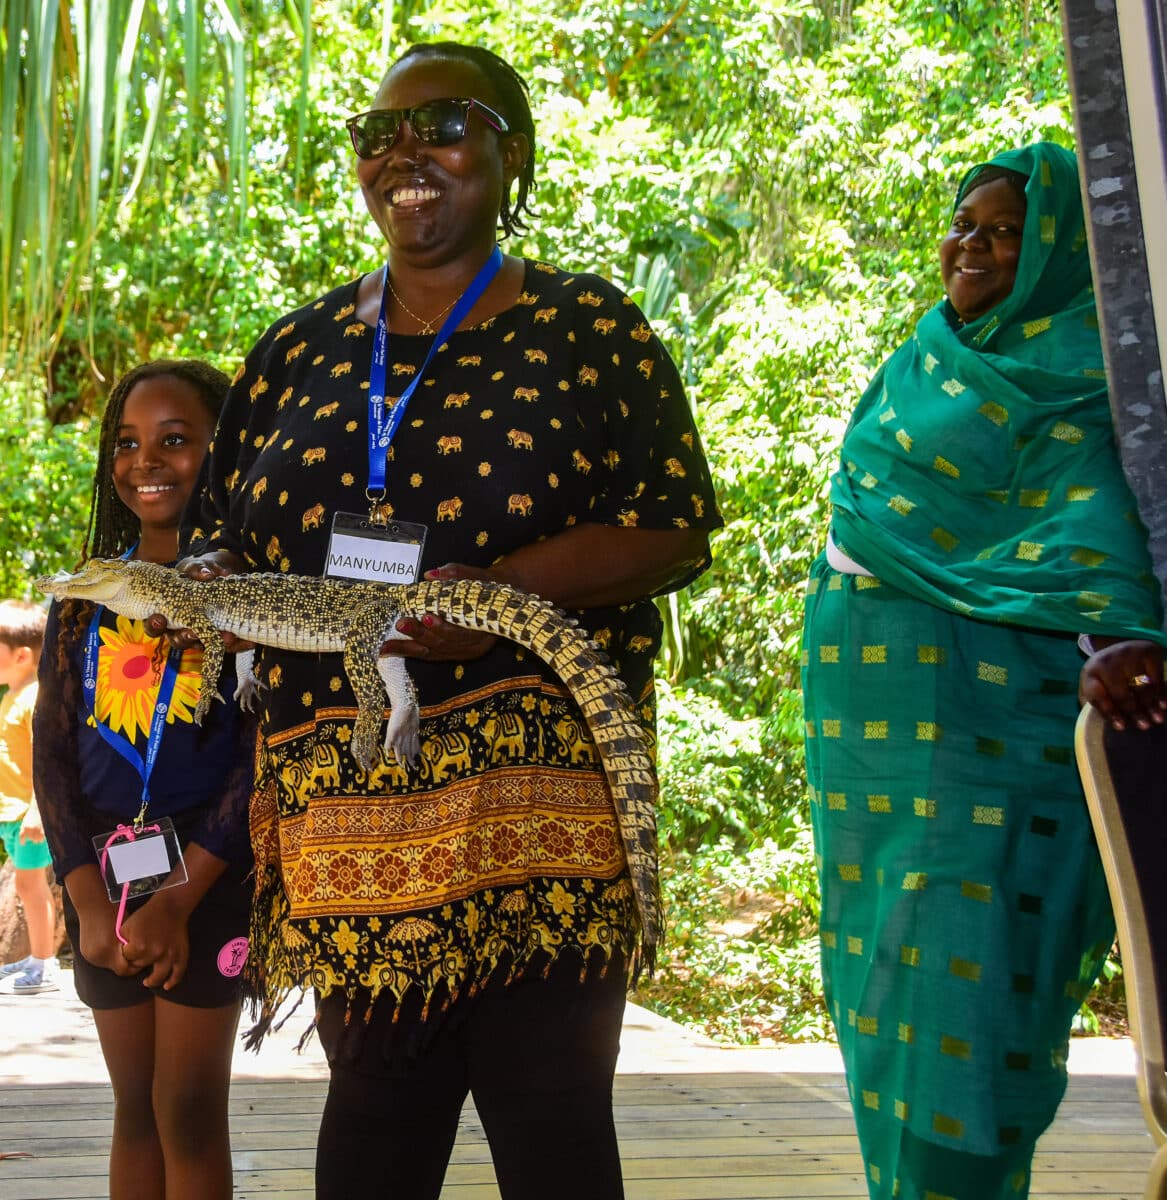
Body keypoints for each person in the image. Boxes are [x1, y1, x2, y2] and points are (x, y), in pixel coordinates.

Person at [170, 40, 720, 1200]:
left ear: (511, 154)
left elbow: (672, 526)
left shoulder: (589, 329)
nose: (404, 153)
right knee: (374, 1122)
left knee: (553, 1124)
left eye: (444, 125)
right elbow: (230, 532)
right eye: (378, 134)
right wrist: (207, 589)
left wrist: (504, 594)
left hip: (540, 800)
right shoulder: (295, 349)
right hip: (350, 803)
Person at [801, 141, 1167, 1200]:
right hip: (869, 742)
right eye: (963, 224)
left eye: (1003, 230)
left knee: (972, 992)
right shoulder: (924, 356)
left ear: (1059, 249)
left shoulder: (1088, 370)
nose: (970, 245)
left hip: (997, 740)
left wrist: (1125, 633)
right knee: (885, 968)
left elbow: (1101, 526)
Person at [33, 360, 256, 1200]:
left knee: (189, 1108)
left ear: (221, 450)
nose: (145, 461)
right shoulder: (87, 597)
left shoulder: (244, 591)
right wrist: (87, 901)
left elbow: (256, 758)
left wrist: (178, 900)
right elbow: (50, 755)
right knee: (134, 1110)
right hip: (106, 890)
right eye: (127, 442)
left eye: (175, 439)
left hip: (206, 883)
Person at [0, 599, 58, 995]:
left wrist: (38, 812)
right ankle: (36, 958)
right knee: (26, 885)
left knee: (30, 887)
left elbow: (45, 762)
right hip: (13, 813)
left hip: (27, 817)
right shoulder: (12, 695)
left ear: (22, 656)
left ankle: (44, 964)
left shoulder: (34, 697)